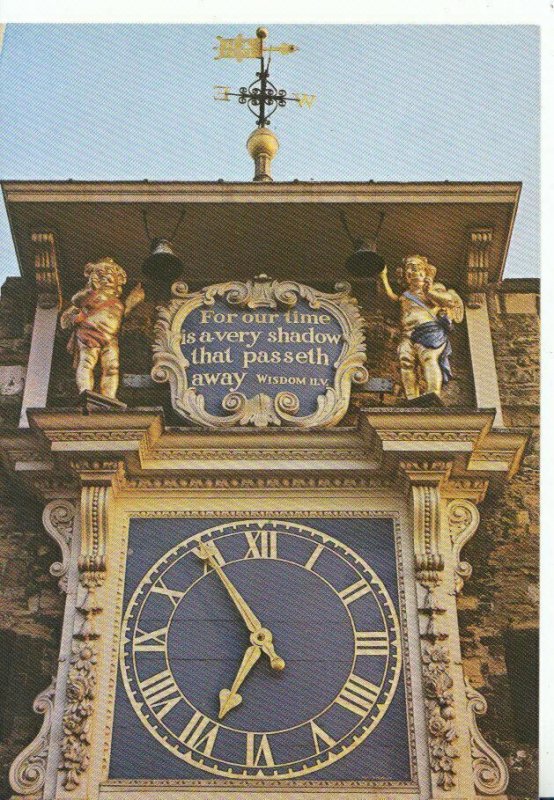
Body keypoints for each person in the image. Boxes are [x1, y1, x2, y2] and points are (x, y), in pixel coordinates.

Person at [379, 254, 463, 400]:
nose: (414, 272)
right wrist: (384, 277)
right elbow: (392, 296)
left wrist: (429, 292)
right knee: (405, 361)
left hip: (428, 330)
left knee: (429, 358)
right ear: (405, 276)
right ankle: (411, 397)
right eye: (409, 270)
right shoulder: (406, 294)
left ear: (426, 272)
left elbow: (450, 301)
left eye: (417, 268)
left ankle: (433, 393)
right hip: (408, 333)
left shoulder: (436, 288)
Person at [60, 258, 144, 400]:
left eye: (111, 273)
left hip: (110, 338)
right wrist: (91, 290)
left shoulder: (117, 302)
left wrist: (133, 300)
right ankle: (85, 392)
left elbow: (122, 314)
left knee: (112, 367)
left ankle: (109, 397)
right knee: (86, 363)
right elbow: (76, 300)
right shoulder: (92, 294)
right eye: (102, 273)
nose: (107, 276)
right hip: (89, 333)